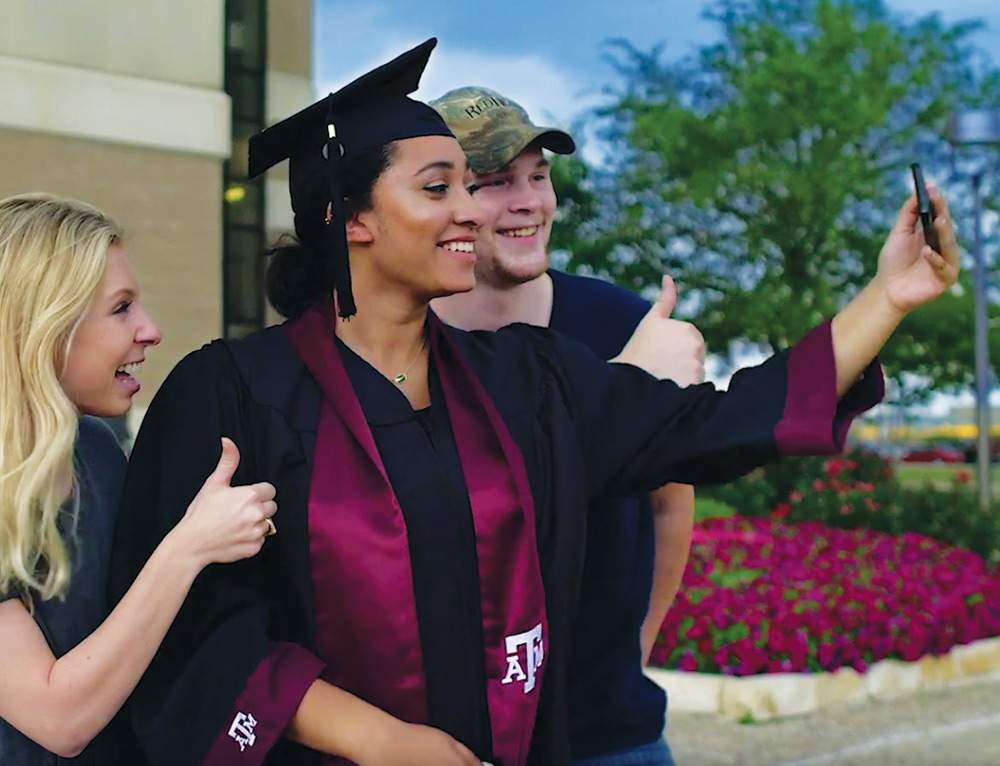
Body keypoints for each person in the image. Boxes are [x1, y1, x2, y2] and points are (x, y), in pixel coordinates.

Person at [107, 38, 956, 766]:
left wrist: (888, 296)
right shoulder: (231, 394)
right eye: (439, 188)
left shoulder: (526, 381)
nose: (471, 212)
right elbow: (198, 632)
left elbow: (718, 422)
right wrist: (377, 741)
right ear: (349, 219)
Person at [431, 86, 698, 766]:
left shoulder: (621, 324)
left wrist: (637, 645)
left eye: (539, 176)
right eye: (495, 182)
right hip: (453, 739)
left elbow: (671, 502)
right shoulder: (401, 343)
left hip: (610, 740)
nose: (529, 201)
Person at [0, 194, 278, 765]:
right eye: (121, 308)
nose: (151, 330)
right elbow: (60, 718)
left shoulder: (97, 451)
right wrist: (189, 547)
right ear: (42, 325)